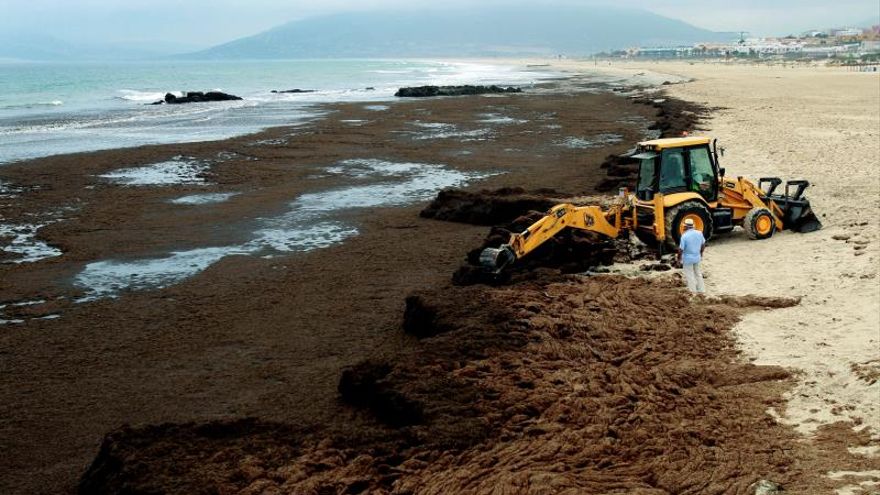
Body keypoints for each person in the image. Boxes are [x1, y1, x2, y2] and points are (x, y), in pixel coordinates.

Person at [677, 218, 706, 294]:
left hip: (687, 259)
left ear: (686, 226)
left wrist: (678, 259)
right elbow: (703, 244)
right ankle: (702, 290)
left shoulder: (684, 236)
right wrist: (701, 253)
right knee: (698, 273)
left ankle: (693, 291)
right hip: (697, 257)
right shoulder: (699, 233)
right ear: (693, 226)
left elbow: (680, 250)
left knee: (690, 275)